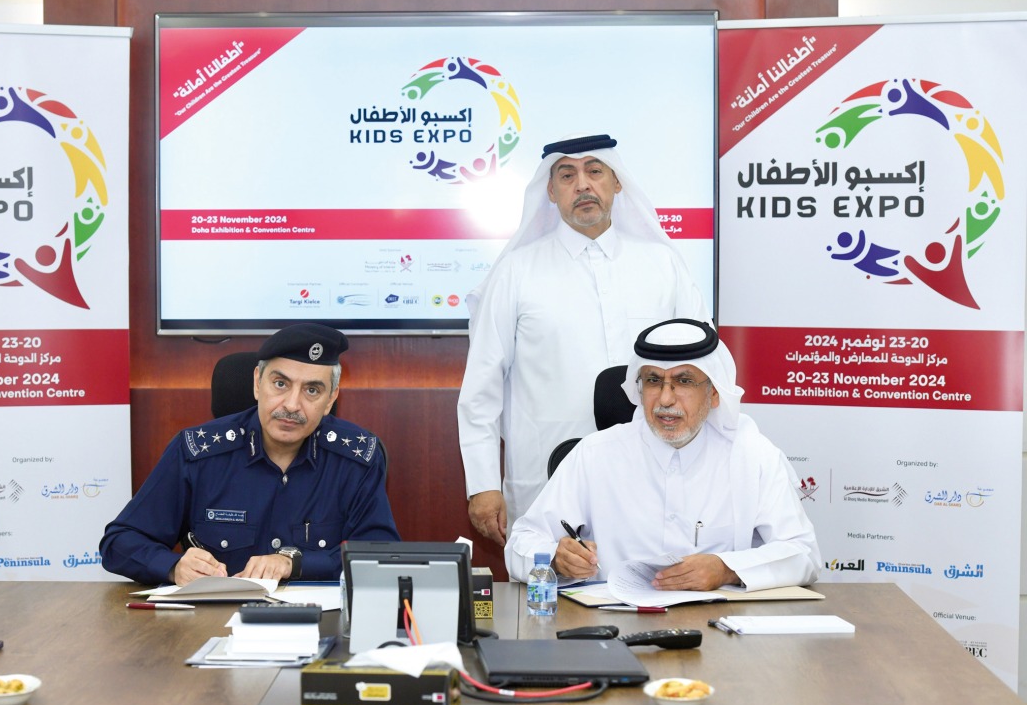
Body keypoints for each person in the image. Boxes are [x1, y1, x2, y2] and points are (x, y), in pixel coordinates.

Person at [459, 133, 710, 546]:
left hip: (655, 469)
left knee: (655, 589)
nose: (582, 185)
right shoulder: (516, 272)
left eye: (595, 171)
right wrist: (483, 483)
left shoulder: (662, 266)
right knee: (548, 594)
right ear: (552, 192)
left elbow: (704, 369)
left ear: (617, 182)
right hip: (547, 474)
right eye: (567, 175)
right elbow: (481, 388)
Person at [505, 319, 820, 591]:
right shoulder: (595, 455)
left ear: (713, 393)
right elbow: (521, 541)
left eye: (683, 381)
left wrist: (727, 568)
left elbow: (803, 553)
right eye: (653, 381)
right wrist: (557, 560)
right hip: (614, 631)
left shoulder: (753, 456)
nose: (665, 399)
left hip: (720, 636)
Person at [101, 323, 399, 585]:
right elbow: (119, 542)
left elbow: (380, 557)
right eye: (280, 384)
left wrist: (294, 563)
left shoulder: (357, 458)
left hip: (320, 623)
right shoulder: (197, 452)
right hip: (215, 623)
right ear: (258, 383)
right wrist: (173, 567)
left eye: (312, 390)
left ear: (331, 398)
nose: (292, 405)